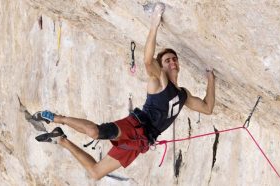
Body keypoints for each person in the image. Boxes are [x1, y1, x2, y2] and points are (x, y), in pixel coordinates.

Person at [33, 3, 215, 180]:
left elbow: (207, 108)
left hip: (141, 142)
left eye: (174, 59)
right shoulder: (159, 80)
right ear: (162, 66)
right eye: (167, 60)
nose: (172, 62)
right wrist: (154, 23)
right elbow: (147, 61)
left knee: (96, 173)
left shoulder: (184, 94)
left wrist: (211, 78)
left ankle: (61, 139)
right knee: (94, 132)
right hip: (134, 126)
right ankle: (57, 118)